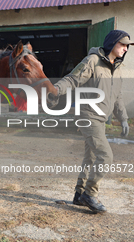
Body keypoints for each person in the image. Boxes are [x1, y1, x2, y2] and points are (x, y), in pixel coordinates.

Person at [54, 30, 133, 214]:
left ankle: (79, 193)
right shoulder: (93, 61)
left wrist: (123, 119)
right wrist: (56, 89)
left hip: (101, 119)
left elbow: (118, 97)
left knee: (90, 157)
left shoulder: (119, 69)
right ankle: (90, 194)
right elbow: (72, 80)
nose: (125, 48)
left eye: (127, 45)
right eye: (122, 44)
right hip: (88, 116)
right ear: (112, 43)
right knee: (106, 156)